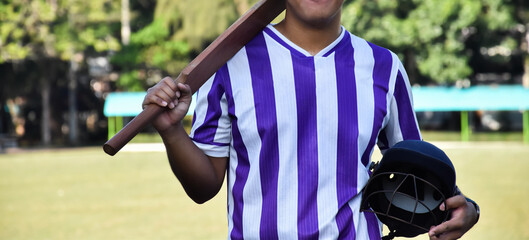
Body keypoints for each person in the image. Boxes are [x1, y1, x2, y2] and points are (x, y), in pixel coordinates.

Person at [142, 0, 479, 239]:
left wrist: (467, 209)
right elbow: (203, 189)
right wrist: (172, 131)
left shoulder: (384, 67)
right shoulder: (229, 66)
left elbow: (418, 171)